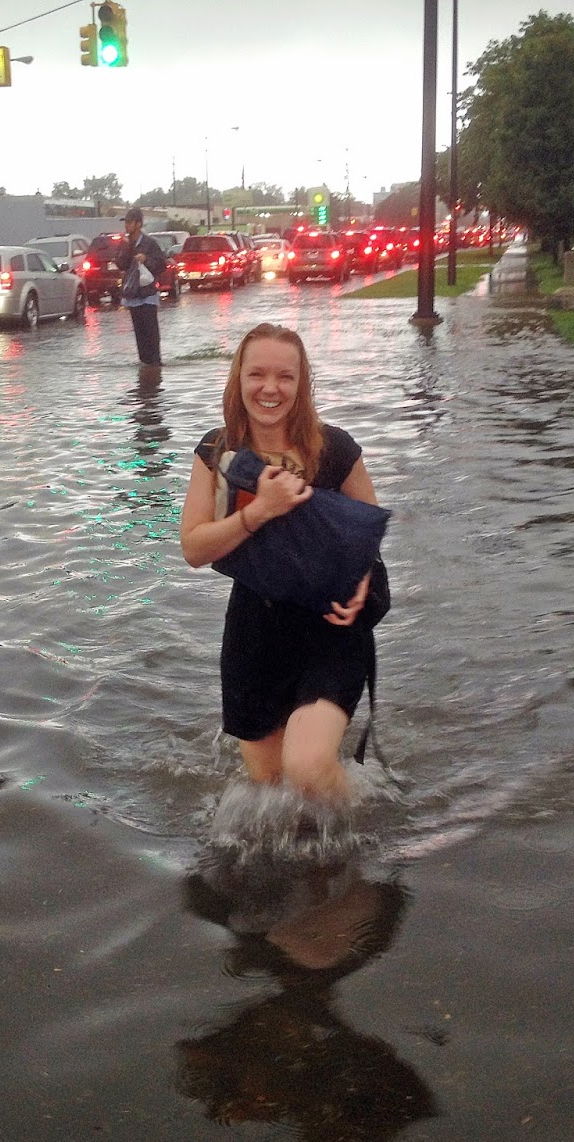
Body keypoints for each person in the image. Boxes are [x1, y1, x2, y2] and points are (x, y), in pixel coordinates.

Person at [180, 322, 379, 805]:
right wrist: (258, 511)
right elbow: (194, 549)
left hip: (330, 627)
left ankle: (358, 835)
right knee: (270, 788)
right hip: (255, 632)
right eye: (257, 374)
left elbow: (369, 533)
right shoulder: (217, 453)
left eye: (285, 377)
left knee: (307, 769)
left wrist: (363, 581)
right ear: (239, 379)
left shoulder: (335, 449)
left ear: (301, 383)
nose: (270, 388)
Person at [114, 207, 167, 366]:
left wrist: (146, 259)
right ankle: (145, 364)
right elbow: (120, 264)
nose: (127, 226)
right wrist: (125, 248)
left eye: (130, 222)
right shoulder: (125, 243)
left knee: (151, 333)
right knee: (139, 334)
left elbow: (161, 265)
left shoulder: (150, 244)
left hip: (148, 295)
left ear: (138, 224)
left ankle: (155, 365)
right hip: (133, 295)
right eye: (126, 222)